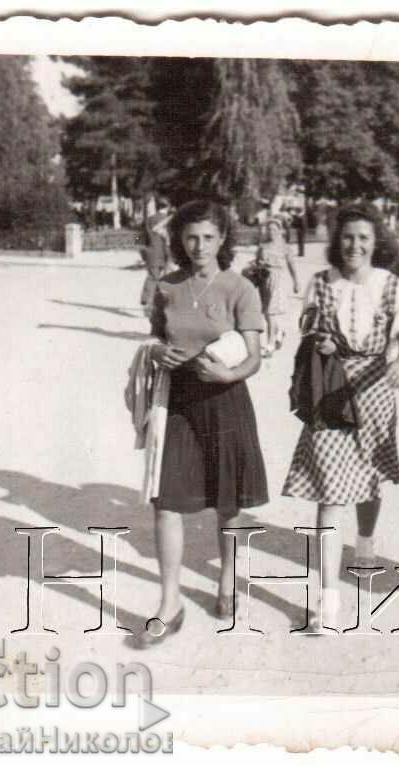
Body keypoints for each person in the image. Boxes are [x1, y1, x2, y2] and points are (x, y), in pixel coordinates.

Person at [133, 200, 269, 648]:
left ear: (223, 239)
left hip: (225, 401)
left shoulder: (240, 288)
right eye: (191, 237)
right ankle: (169, 604)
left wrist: (228, 373)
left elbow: (253, 358)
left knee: (226, 500)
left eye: (209, 237)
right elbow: (156, 336)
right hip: (177, 402)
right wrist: (155, 353)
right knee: (165, 500)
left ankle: (227, 581)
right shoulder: (167, 287)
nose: (199, 246)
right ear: (179, 239)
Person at [282, 202, 399, 631]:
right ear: (336, 241)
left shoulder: (391, 285)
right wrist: (319, 342)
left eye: (363, 237)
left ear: (376, 242)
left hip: (375, 390)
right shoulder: (321, 283)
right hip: (332, 392)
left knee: (370, 476)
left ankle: (364, 543)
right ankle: (327, 599)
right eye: (347, 237)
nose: (354, 245)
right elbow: (306, 334)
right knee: (329, 491)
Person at [254, 216, 301, 356]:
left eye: (274, 229)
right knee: (267, 313)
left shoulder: (285, 247)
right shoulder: (262, 246)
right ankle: (279, 331)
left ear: (280, 231)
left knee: (271, 312)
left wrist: (296, 281)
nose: (271, 232)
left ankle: (270, 344)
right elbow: (256, 263)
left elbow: (292, 266)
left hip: (278, 280)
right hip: (264, 281)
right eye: (269, 229)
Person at [139, 197, 173, 318]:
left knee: (153, 277)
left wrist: (142, 251)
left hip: (151, 252)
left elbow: (140, 237)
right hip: (163, 254)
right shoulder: (168, 221)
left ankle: (147, 300)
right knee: (159, 278)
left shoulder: (149, 219)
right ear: (167, 207)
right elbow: (168, 240)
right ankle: (149, 303)